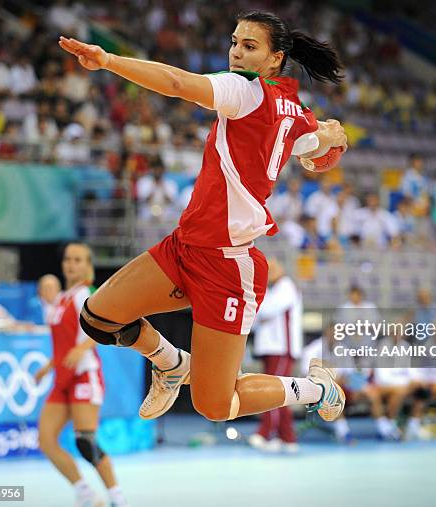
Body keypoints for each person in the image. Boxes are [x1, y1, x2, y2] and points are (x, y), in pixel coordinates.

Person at [59, 11, 348, 433]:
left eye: (249, 46)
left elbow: (177, 83)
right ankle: (172, 364)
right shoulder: (296, 112)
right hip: (184, 247)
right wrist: (334, 136)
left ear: (274, 59)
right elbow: (320, 141)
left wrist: (108, 61)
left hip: (228, 268)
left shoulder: (245, 88)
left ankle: (318, 389)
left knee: (214, 404)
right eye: (234, 41)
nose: (235, 51)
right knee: (97, 318)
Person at [34, 244, 127, 507]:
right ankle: (84, 492)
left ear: (87, 265)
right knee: (46, 440)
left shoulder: (85, 294)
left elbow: (103, 329)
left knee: (85, 441)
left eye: (77, 260)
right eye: (67, 259)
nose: (71, 264)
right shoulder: (63, 298)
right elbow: (65, 343)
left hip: (85, 375)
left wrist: (82, 348)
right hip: (62, 378)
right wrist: (48, 366)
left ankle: (117, 497)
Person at [249, 258, 303, 453]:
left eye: (272, 268)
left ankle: (264, 432)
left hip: (281, 349)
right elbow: (254, 320)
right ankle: (287, 438)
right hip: (269, 348)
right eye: (266, 269)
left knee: (273, 392)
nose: (269, 272)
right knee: (280, 393)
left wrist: (256, 303)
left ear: (281, 269)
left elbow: (265, 311)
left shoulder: (286, 287)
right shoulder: (272, 290)